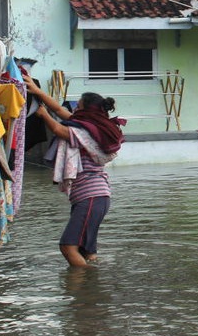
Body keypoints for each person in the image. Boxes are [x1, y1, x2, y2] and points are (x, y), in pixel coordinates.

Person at [25, 75, 125, 267]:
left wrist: (43, 114)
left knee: (68, 247)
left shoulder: (85, 133)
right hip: (95, 197)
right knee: (86, 251)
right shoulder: (92, 128)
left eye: (78, 107)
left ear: (87, 111)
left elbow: (59, 130)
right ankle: (93, 281)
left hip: (91, 197)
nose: (74, 110)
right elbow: (58, 110)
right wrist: (37, 92)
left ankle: (82, 284)